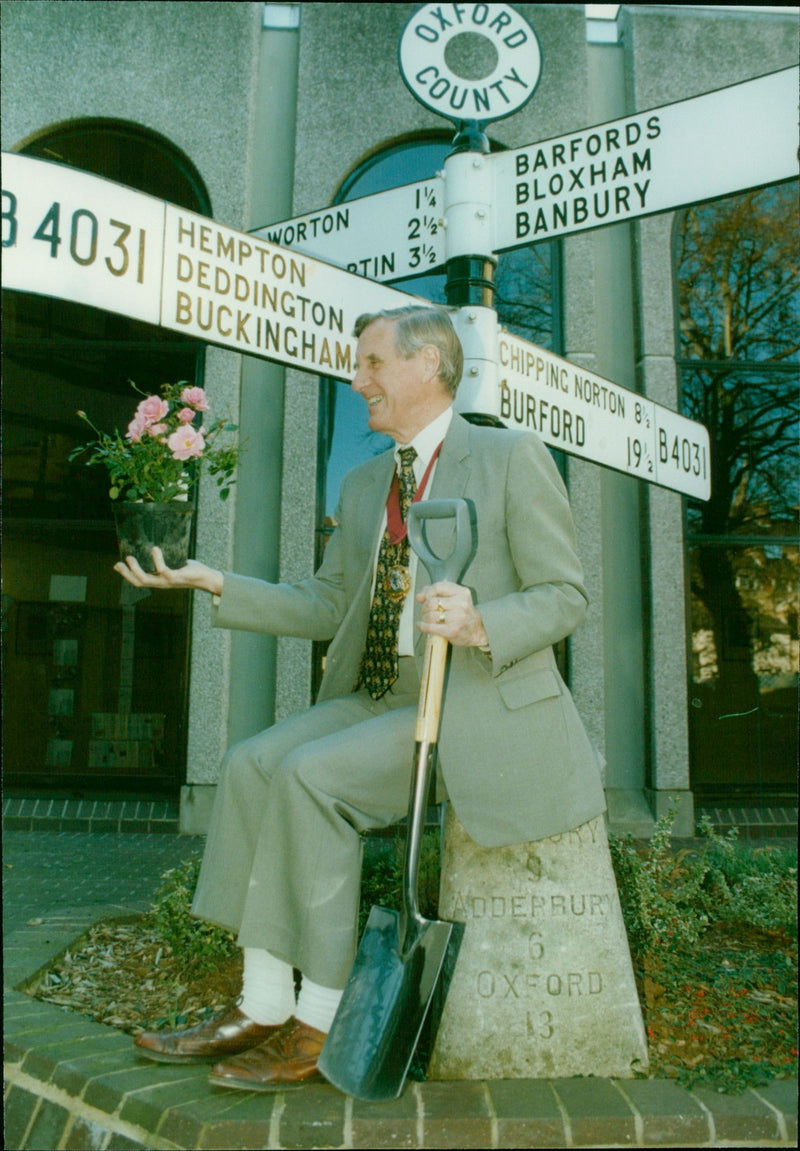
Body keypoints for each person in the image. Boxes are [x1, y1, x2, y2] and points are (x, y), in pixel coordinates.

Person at [117, 305, 605, 1091]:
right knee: (250, 764)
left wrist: (483, 620)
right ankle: (263, 1002)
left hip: (469, 706)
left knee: (312, 777)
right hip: (384, 695)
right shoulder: (366, 480)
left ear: (429, 366)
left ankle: (322, 1019)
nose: (358, 380)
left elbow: (565, 594)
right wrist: (209, 579)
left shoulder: (511, 457)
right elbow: (323, 605)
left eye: (373, 362)